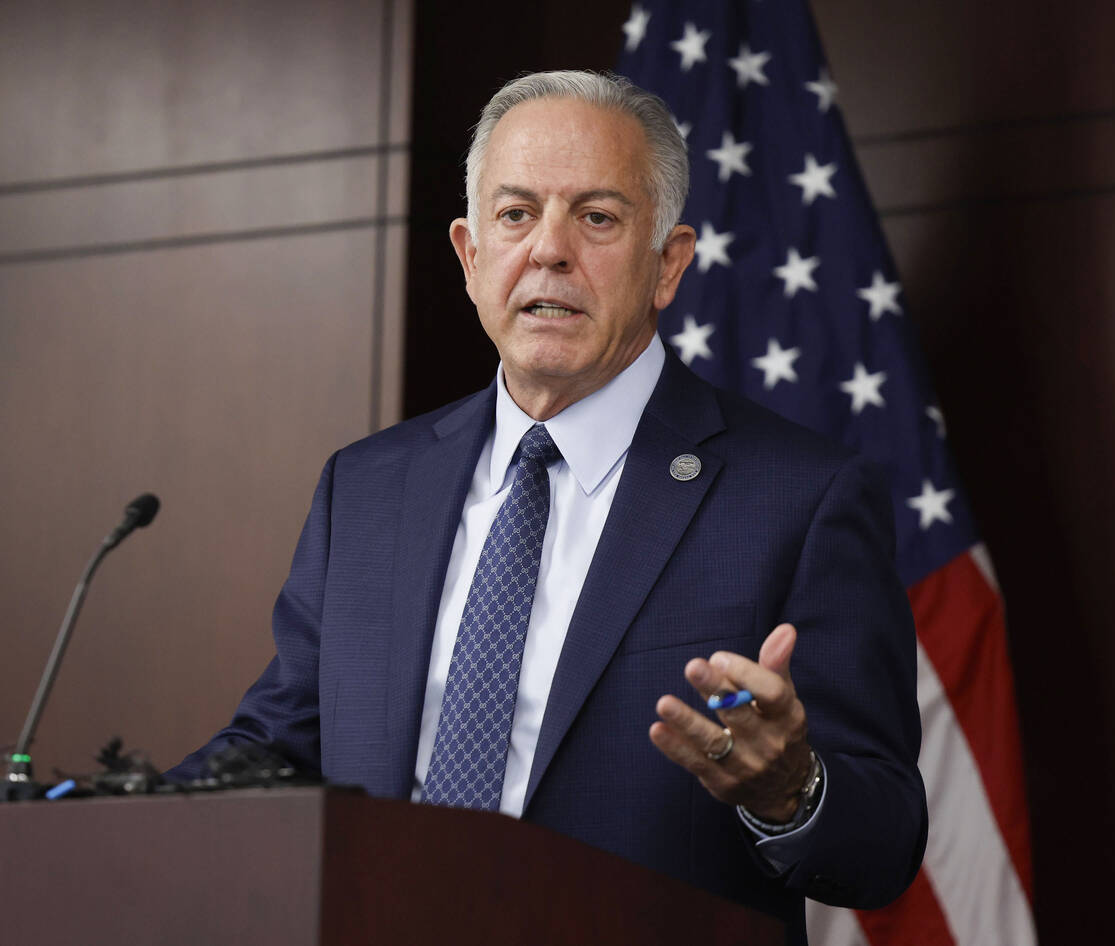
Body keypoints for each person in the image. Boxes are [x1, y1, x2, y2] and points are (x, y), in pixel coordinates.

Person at [171, 71, 925, 942]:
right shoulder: (368, 488)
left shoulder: (799, 496)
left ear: (668, 263)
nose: (550, 251)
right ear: (470, 255)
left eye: (597, 217)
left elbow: (884, 844)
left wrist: (789, 789)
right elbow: (278, 744)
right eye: (515, 214)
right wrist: (111, 810)